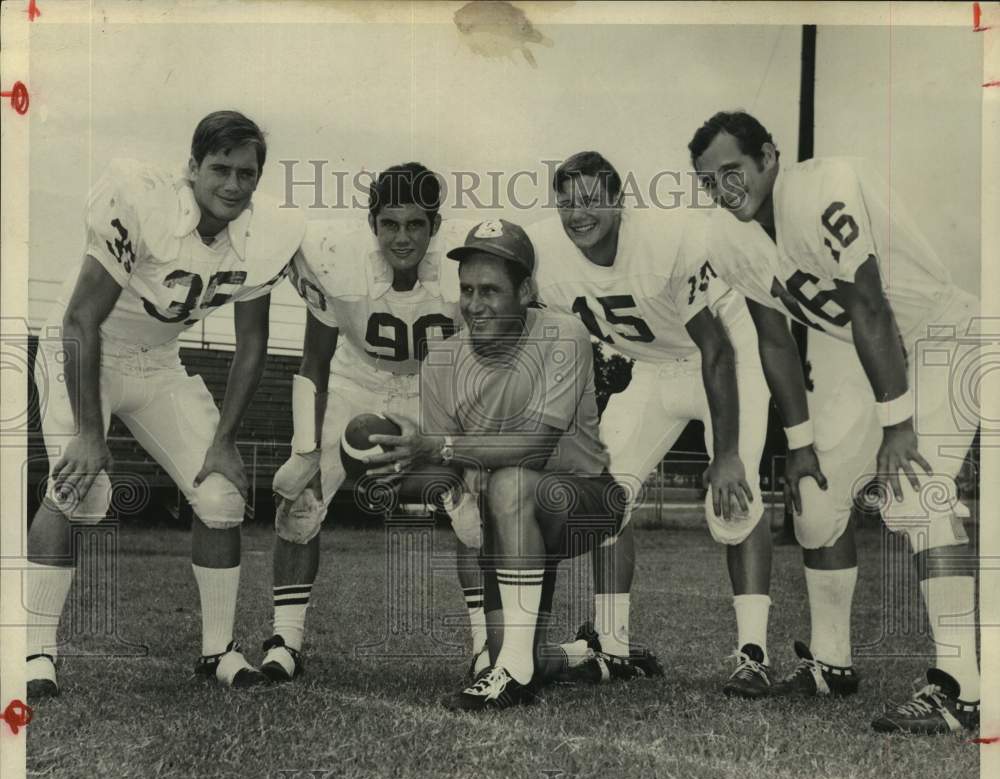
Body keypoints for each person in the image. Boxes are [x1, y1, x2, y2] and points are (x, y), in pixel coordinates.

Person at [689, 110, 981, 734]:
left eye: (732, 171)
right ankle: (831, 663)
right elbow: (774, 340)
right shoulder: (726, 239)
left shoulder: (825, 186)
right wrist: (799, 444)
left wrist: (898, 424)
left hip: (942, 335)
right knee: (815, 500)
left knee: (918, 497)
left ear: (769, 156)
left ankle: (965, 687)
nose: (723, 191)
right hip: (860, 350)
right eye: (709, 182)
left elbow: (869, 301)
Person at [26, 111, 305, 696]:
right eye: (220, 169)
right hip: (86, 350)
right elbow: (81, 318)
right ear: (193, 168)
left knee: (221, 493)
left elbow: (252, 343)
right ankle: (33, 653)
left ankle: (218, 652)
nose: (233, 185)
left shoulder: (265, 233)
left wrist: (225, 438)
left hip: (158, 363)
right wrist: (88, 433)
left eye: (246, 174)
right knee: (79, 487)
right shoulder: (141, 201)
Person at [529, 151, 775, 697]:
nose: (577, 214)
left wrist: (727, 454)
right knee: (605, 497)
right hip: (652, 366)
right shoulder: (545, 252)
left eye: (591, 200)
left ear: (619, 202)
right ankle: (611, 645)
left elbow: (716, 350)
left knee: (736, 501)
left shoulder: (664, 239)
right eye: (566, 202)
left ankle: (753, 654)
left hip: (729, 357)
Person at [365, 218, 628, 711]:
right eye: (466, 290)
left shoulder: (563, 334)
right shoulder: (441, 361)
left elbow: (533, 449)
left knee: (511, 484)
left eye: (490, 290)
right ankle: (583, 656)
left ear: (526, 290)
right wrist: (401, 471)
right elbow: (447, 468)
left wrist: (437, 448)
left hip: (583, 502)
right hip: (506, 519)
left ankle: (516, 674)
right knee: (506, 641)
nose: (473, 304)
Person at [263, 163, 485, 681]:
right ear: (371, 223)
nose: (402, 237)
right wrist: (305, 451)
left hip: (437, 385)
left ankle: (485, 646)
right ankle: (286, 640)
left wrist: (471, 447)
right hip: (356, 377)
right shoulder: (335, 260)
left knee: (476, 515)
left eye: (415, 224)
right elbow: (313, 363)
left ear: (435, 225)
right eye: (390, 224)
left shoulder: (463, 267)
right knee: (299, 504)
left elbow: (488, 361)